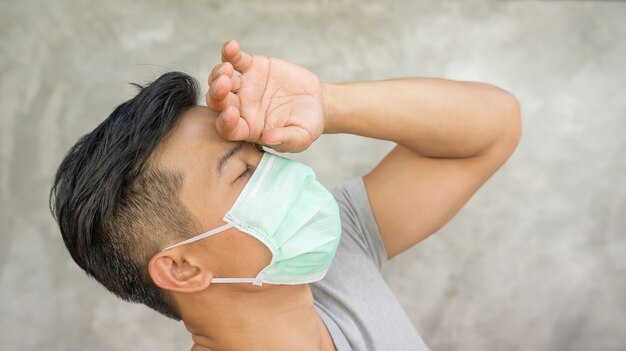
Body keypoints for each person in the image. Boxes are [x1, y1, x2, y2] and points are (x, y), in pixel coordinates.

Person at [50, 39, 521, 351]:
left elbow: (492, 129)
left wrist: (329, 103)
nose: (284, 172)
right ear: (182, 267)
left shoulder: (338, 257)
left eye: (262, 150)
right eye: (243, 172)